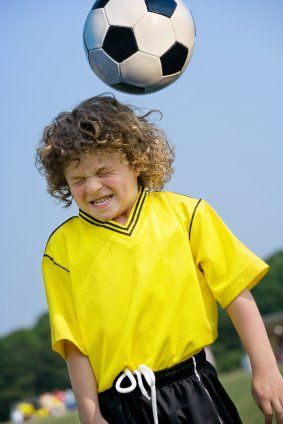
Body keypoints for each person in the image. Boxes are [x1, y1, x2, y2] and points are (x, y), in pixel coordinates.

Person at [36, 94, 283, 424]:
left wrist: (265, 369)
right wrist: (90, 415)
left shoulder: (186, 215)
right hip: (119, 407)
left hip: (195, 389)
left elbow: (236, 293)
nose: (93, 187)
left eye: (103, 171)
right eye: (78, 180)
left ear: (135, 161)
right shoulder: (60, 251)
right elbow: (74, 344)